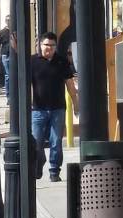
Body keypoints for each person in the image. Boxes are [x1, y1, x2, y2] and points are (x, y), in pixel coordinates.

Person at [31, 32, 79, 182]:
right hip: (38, 109)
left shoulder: (62, 62)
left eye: (52, 46)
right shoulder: (33, 61)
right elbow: (26, 85)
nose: (49, 48)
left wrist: (75, 103)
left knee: (56, 141)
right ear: (40, 45)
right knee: (36, 142)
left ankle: (54, 171)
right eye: (46, 45)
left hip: (58, 109)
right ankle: (38, 163)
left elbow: (70, 85)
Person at [0, 15, 11, 101]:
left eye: (10, 20)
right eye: (7, 20)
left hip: (15, 54)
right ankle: (9, 97)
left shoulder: (15, 31)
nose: (9, 22)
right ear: (5, 21)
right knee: (8, 75)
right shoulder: (1, 32)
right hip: (5, 55)